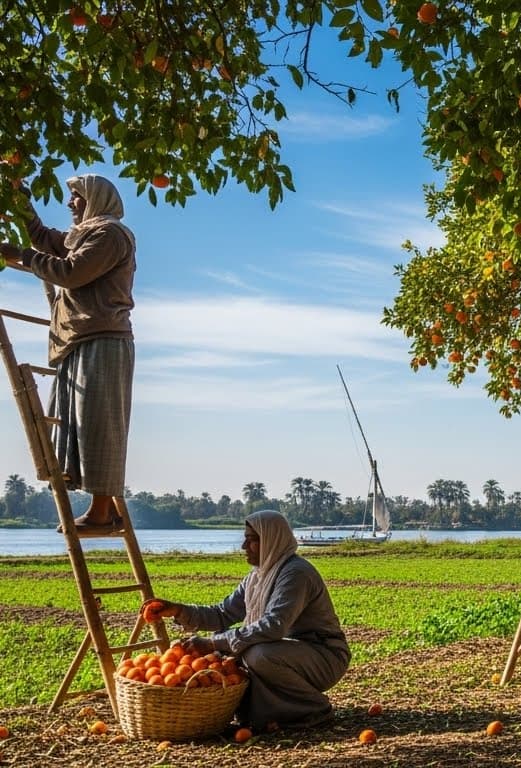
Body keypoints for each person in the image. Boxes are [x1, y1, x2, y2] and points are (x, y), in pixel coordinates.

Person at [1, 175, 136, 533]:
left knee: (98, 424)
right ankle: (102, 510)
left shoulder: (109, 234)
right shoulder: (84, 235)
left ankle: (102, 512)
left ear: (95, 199)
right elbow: (48, 240)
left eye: (76, 196)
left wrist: (22, 257)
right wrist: (21, 200)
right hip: (79, 338)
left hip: (102, 339)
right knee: (78, 424)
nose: (70, 203)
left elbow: (72, 273)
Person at [142, 510, 350, 731]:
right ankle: (272, 713)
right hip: (291, 653)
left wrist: (214, 643)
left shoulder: (295, 574)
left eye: (251, 540)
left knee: (257, 655)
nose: (244, 546)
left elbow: (273, 626)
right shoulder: (256, 577)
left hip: (324, 656)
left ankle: (314, 709)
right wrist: (178, 610)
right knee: (229, 653)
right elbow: (223, 613)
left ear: (271, 540)